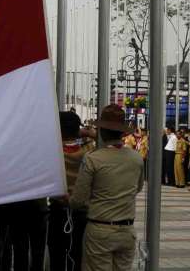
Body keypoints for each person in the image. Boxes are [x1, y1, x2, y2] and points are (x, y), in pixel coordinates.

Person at [69, 104, 144, 271]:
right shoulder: (136, 158)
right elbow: (137, 188)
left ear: (101, 132)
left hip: (100, 231)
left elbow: (78, 200)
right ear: (123, 132)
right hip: (127, 231)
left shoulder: (93, 159)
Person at [48, 111, 92, 271]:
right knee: (78, 257)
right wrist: (85, 132)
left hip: (57, 211)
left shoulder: (52, 152)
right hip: (82, 212)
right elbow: (98, 135)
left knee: (57, 256)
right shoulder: (89, 152)